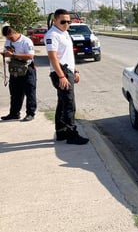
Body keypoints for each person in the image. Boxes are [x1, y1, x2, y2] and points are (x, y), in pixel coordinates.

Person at [45, 9, 89, 145]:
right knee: (70, 104)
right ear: (55, 21)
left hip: (67, 71)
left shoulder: (64, 33)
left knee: (62, 103)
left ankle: (61, 132)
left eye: (68, 21)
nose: (66, 24)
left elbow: (68, 55)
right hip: (61, 73)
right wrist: (62, 76)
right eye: (63, 21)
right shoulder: (52, 35)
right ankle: (71, 135)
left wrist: (75, 70)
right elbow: (53, 57)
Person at [1, 25, 37, 121]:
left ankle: (30, 113)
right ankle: (14, 113)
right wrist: (5, 53)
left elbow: (30, 56)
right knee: (15, 93)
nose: (10, 40)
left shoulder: (26, 41)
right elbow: (6, 51)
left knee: (30, 92)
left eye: (11, 37)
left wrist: (13, 55)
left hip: (27, 69)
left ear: (14, 33)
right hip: (15, 69)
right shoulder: (8, 41)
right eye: (8, 38)